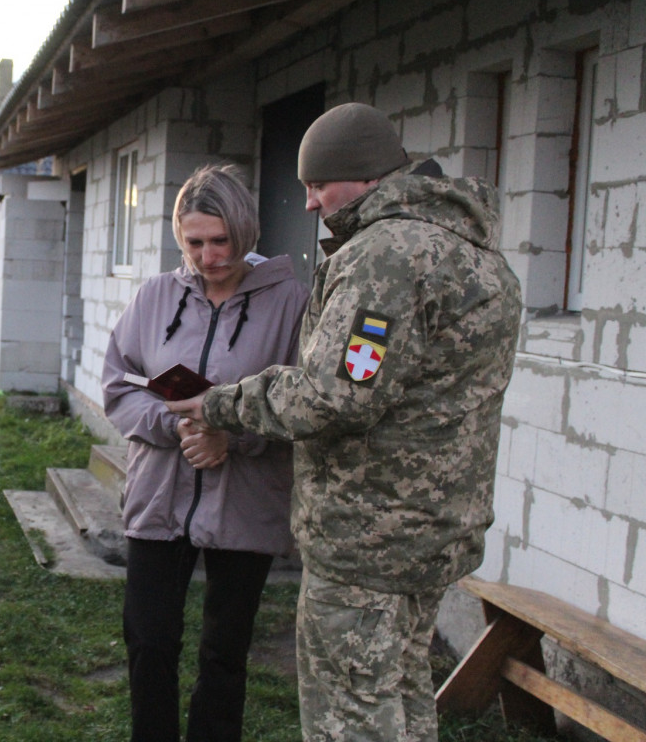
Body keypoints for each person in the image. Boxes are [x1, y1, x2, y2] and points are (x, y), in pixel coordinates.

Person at [166, 103, 522, 742]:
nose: (307, 202)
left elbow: (338, 395)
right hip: (433, 528)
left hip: (370, 535)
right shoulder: (476, 253)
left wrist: (219, 403)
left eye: (316, 185)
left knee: (352, 715)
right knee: (404, 697)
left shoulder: (384, 256)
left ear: (362, 177)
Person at [102, 163, 309, 742]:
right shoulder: (155, 297)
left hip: (245, 501)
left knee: (224, 650)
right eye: (195, 242)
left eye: (222, 242)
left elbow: (302, 402)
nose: (209, 256)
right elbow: (119, 385)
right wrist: (176, 430)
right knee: (148, 639)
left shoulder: (291, 302)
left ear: (245, 233)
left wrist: (231, 435)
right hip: (158, 496)